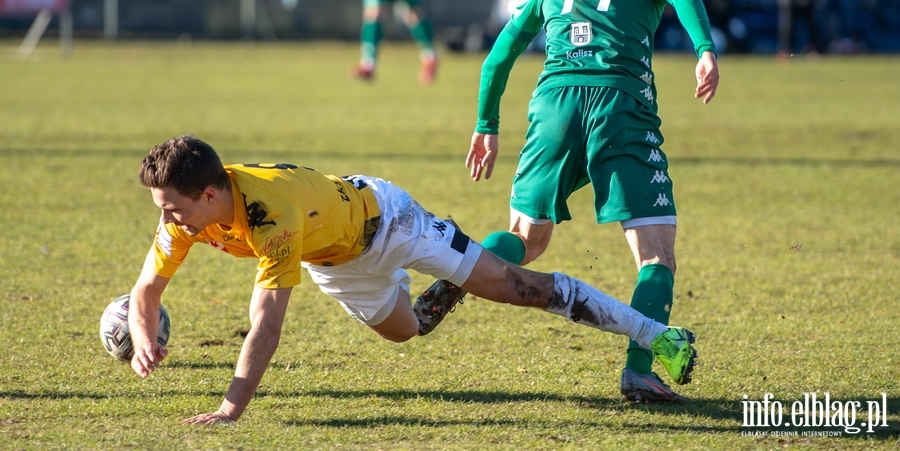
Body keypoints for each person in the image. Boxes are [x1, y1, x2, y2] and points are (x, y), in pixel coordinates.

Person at [128, 135, 698, 423]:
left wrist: (232, 407)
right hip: (334, 261)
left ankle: (656, 335)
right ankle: (457, 278)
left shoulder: (267, 215)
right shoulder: (187, 219)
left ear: (209, 194)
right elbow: (146, 291)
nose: (165, 219)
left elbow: (266, 325)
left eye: (172, 208)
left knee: (519, 289)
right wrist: (142, 336)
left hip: (389, 221)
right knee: (408, 331)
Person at [413, 0, 718, 405]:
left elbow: (498, 57)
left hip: (554, 104)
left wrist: (486, 125)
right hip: (620, 104)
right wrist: (704, 49)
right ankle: (641, 371)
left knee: (526, 239)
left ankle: (456, 275)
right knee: (655, 255)